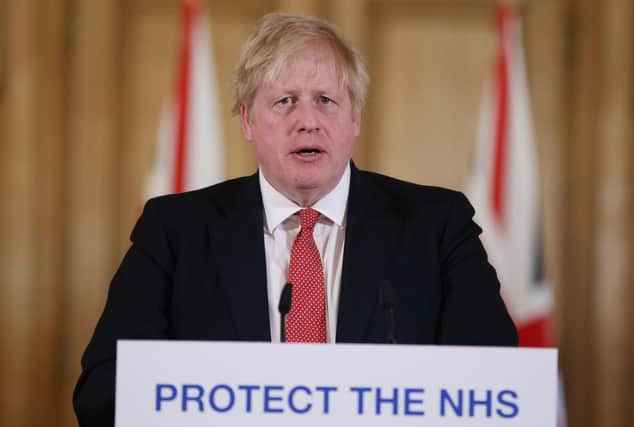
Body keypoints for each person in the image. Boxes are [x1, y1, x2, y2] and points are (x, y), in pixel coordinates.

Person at [73, 12, 517, 426]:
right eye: (284, 101)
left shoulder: (436, 227)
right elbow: (104, 392)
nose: (308, 121)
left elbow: (496, 384)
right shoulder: (175, 231)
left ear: (355, 117)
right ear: (247, 120)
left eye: (326, 100)